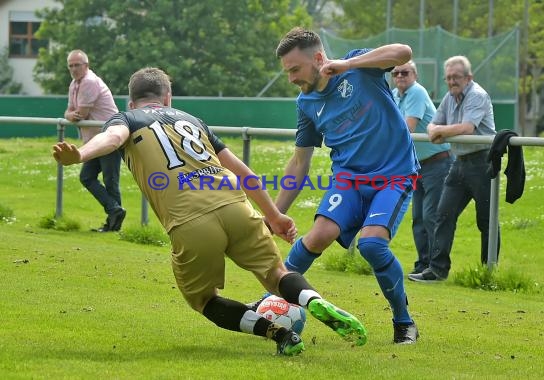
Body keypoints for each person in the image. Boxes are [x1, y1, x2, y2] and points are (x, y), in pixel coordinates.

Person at [52, 67, 367, 356]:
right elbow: (245, 173)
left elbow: (111, 138)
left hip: (191, 222)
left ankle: (279, 334)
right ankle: (316, 301)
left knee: (204, 300)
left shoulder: (127, 118)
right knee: (277, 274)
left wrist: (79, 154)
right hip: (235, 206)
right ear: (168, 97)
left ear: (131, 101)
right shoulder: (192, 120)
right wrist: (274, 216)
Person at [266, 27, 419, 344]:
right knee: (319, 235)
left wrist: (349, 65)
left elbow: (403, 52)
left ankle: (404, 323)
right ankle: (275, 300)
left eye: (295, 69)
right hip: (348, 178)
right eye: (287, 71)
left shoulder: (358, 66)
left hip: (394, 175)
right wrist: (274, 214)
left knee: (373, 245)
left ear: (319, 58)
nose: (291, 77)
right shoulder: (305, 103)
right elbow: (299, 163)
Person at [408, 55, 499, 283]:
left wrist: (440, 132)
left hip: (482, 162)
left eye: (456, 77)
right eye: (448, 77)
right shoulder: (449, 98)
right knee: (442, 214)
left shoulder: (477, 95)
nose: (451, 82)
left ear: (469, 78)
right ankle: (437, 270)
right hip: (459, 162)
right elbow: (432, 124)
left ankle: (488, 273)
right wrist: (435, 131)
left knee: (486, 219)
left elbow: (467, 128)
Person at [391, 60, 453, 275]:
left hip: (437, 162)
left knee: (430, 216)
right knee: (418, 217)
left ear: (414, 75)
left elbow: (408, 126)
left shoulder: (416, 92)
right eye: (396, 73)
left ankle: (436, 268)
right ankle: (423, 264)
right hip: (417, 165)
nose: (400, 76)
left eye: (405, 72)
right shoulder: (395, 95)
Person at [64, 49, 125, 232]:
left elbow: (79, 114)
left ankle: (114, 224)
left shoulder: (89, 81)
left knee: (110, 180)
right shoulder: (75, 83)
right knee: (87, 177)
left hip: (109, 137)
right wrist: (70, 115)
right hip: (94, 139)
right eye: (71, 66)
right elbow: (69, 112)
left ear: (86, 66)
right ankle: (114, 211)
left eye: (77, 65)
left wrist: (72, 115)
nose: (74, 69)